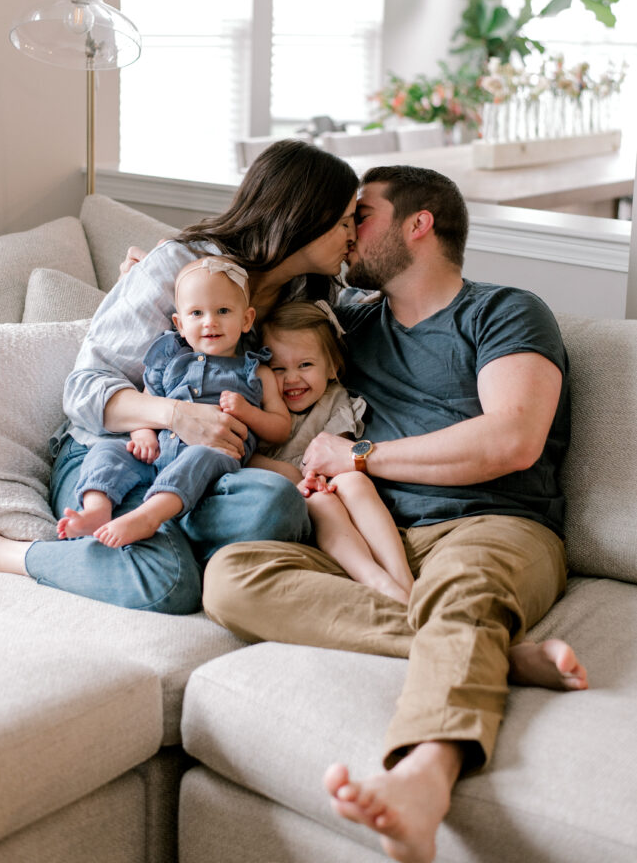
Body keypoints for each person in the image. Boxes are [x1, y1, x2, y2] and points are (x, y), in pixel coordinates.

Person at [201, 165, 588, 863]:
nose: (346, 231)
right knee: (232, 575)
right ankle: (490, 652)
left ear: (419, 224)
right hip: (367, 535)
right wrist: (153, 275)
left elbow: (511, 439)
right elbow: (233, 298)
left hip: (491, 524)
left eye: (362, 214)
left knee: (461, 593)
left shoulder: (503, 311)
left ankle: (420, 781)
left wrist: (360, 457)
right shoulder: (346, 322)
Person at [0, 140, 359, 613]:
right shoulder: (179, 267)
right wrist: (177, 415)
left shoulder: (302, 298)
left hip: (204, 471)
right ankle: (2, 552)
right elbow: (83, 389)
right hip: (118, 456)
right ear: (305, 215)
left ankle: (165, 537)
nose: (353, 235)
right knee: (168, 584)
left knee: (278, 503)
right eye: (346, 220)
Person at [57, 257, 290, 549]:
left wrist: (247, 412)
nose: (210, 321)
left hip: (215, 458)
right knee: (106, 450)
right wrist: (142, 436)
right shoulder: (169, 362)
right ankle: (95, 509)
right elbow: (146, 404)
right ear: (180, 324)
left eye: (223, 311)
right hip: (157, 455)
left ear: (246, 319)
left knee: (200, 457)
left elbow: (281, 428)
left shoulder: (256, 373)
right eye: (196, 313)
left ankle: (149, 516)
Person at [244, 299, 414, 604]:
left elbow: (339, 457)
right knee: (322, 503)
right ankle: (373, 579)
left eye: (305, 365)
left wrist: (319, 477)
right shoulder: (260, 406)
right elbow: (242, 459)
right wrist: (294, 476)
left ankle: (403, 579)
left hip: (325, 481)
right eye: (278, 368)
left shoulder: (336, 400)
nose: (292, 378)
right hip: (287, 497)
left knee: (355, 481)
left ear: (333, 366)